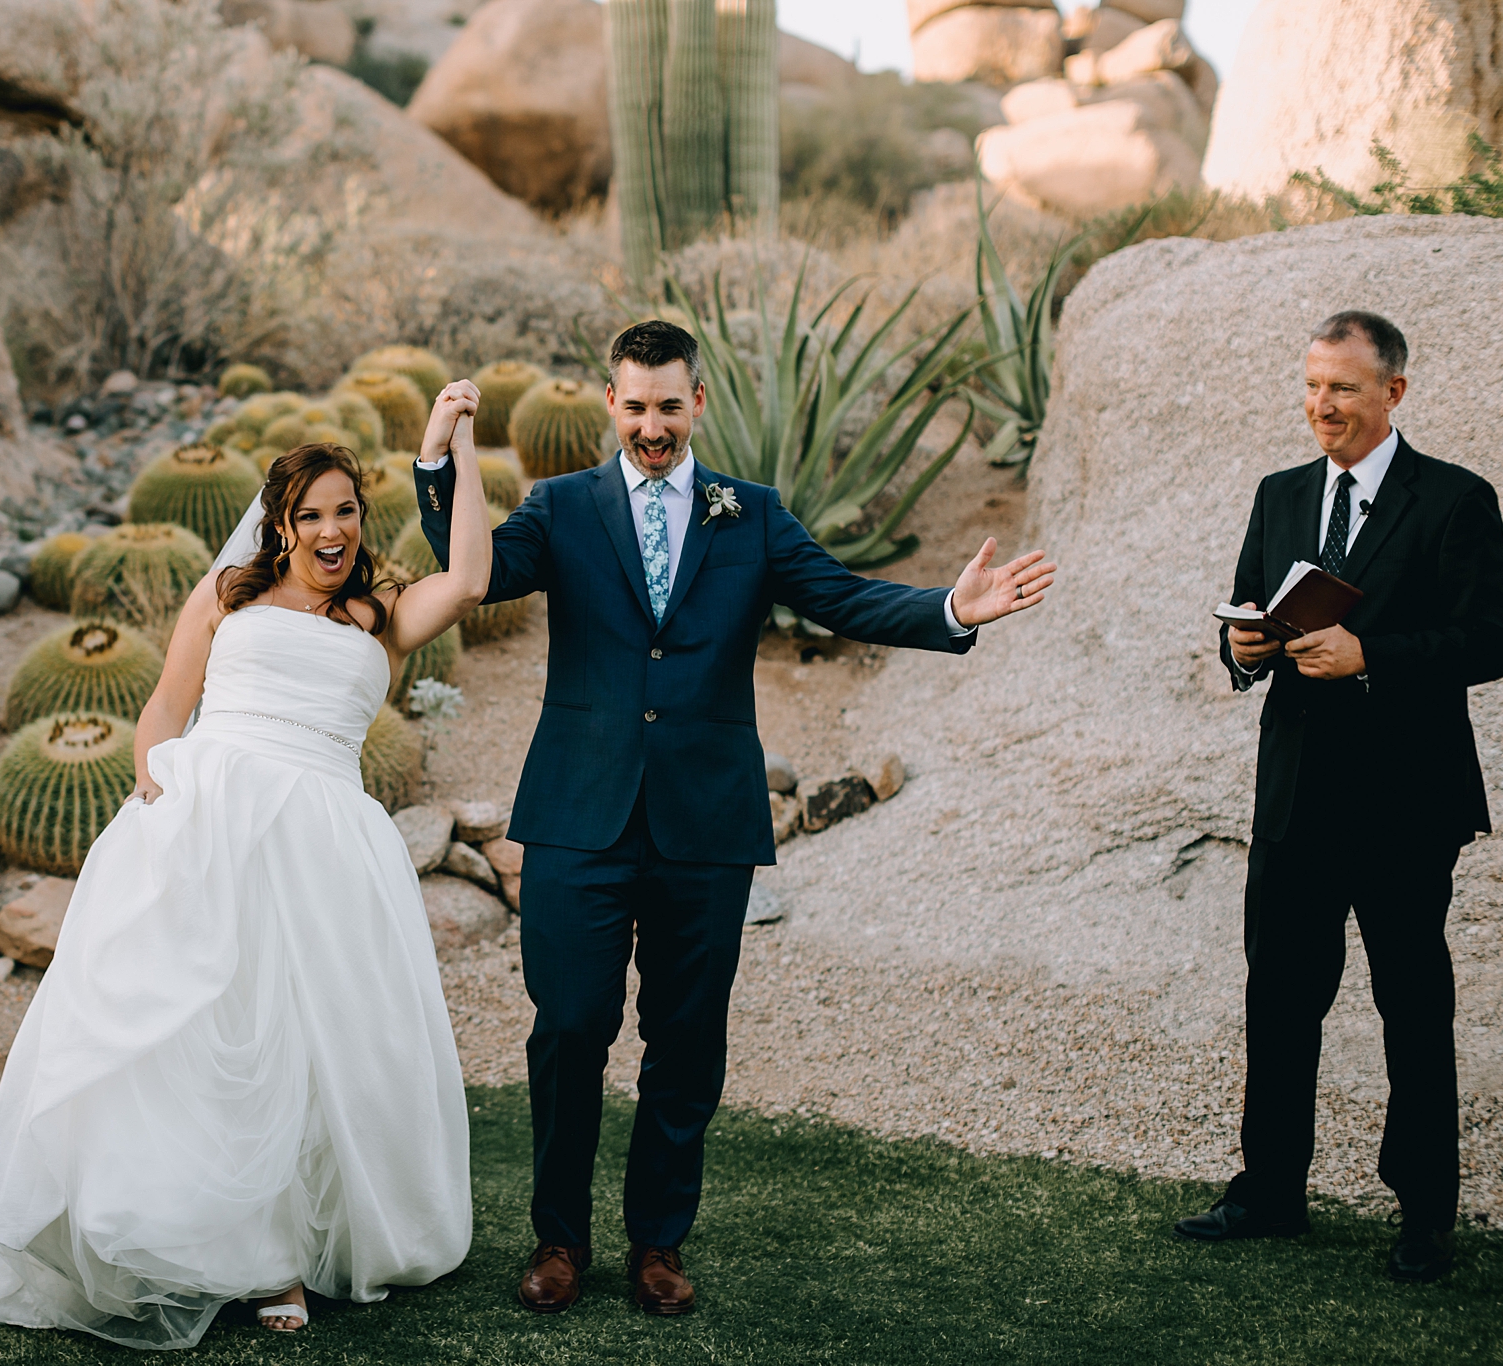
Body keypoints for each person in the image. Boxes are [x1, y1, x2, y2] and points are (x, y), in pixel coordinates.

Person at [0, 398, 498, 1348]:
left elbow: (474, 575)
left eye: (346, 512)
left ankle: (300, 1243)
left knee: (314, 1046)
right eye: (312, 513)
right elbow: (164, 709)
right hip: (211, 823)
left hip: (327, 842)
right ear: (280, 524)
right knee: (215, 1040)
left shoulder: (381, 614)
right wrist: (158, 796)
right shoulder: (230, 596)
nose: (332, 530)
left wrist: (456, 447)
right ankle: (255, 1259)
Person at [412, 321, 1055, 1315]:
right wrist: (436, 468)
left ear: (696, 404)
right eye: (634, 406)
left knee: (685, 1035)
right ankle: (556, 1239)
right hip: (579, 815)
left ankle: (658, 1244)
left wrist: (951, 611)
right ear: (610, 406)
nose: (651, 425)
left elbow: (840, 598)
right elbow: (476, 574)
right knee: (570, 1026)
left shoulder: (748, 516)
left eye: (668, 406)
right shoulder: (561, 508)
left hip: (702, 823)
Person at [1176, 311, 1503, 1282]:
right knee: (1277, 998)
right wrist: (1236, 651)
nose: (1321, 405)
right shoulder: (1277, 495)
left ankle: (1424, 1212)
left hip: (1405, 803)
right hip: (1292, 798)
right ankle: (1269, 1187)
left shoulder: (1454, 500)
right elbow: (1247, 612)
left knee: (1411, 1003)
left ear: (1391, 393)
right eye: (1313, 385)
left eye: (1343, 388)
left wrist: (1372, 656)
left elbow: (1490, 637)